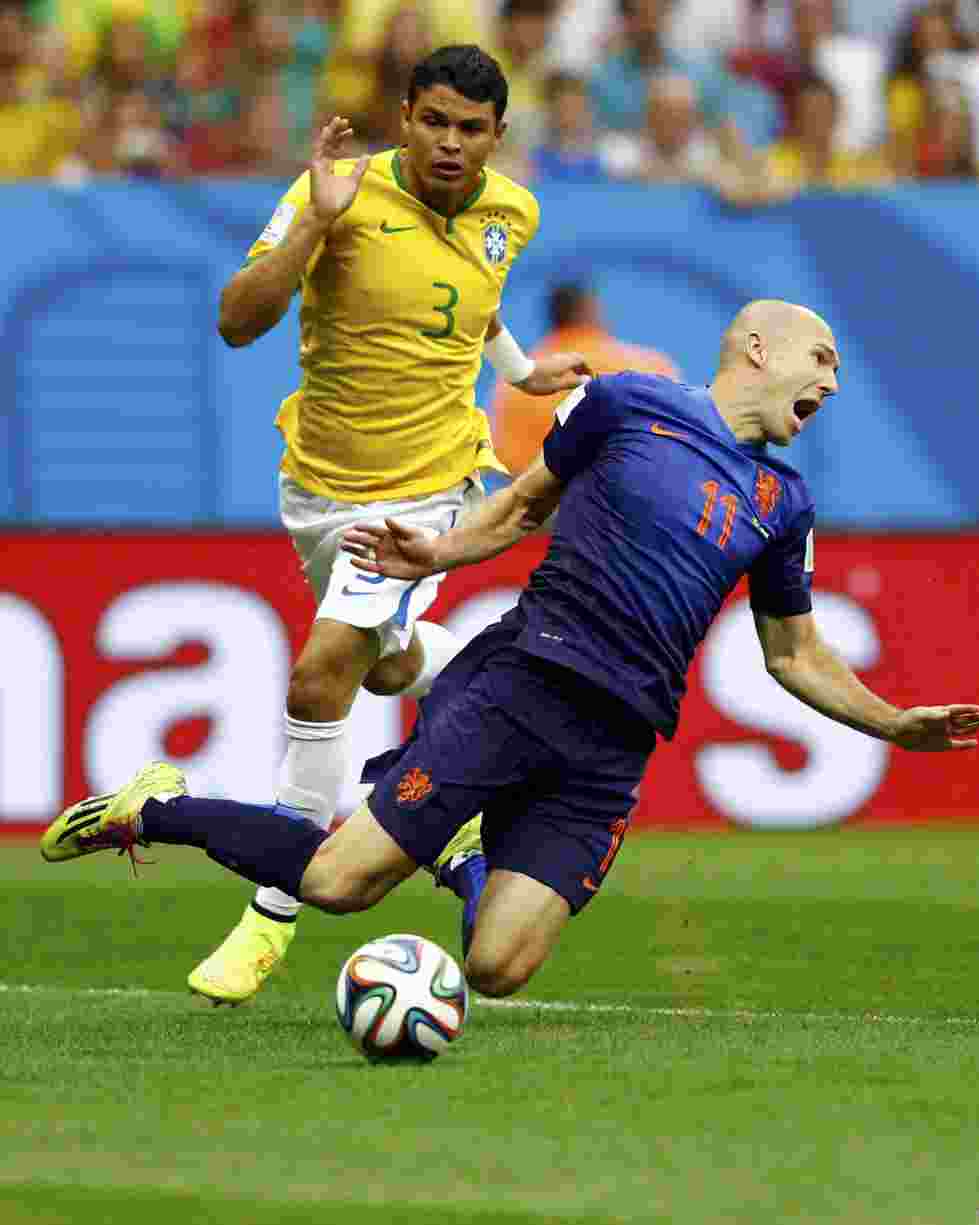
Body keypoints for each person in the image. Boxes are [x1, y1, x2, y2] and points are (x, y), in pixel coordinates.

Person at [41, 300, 979, 1001]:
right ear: (757, 348)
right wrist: (436, 552)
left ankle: (459, 848)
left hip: (616, 745)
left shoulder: (784, 504)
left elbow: (795, 653)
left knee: (496, 966)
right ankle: (154, 808)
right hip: (523, 681)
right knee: (338, 882)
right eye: (822, 358)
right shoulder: (625, 404)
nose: (832, 382)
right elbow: (522, 505)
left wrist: (893, 723)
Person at [188, 44, 589, 1005]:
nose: (450, 143)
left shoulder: (513, 211)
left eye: (471, 129)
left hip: (433, 483)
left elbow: (473, 303)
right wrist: (312, 228)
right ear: (405, 117)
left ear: (498, 136)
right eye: (434, 122)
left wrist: (522, 374)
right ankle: (501, 684)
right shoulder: (333, 191)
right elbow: (237, 320)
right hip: (320, 483)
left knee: (321, 671)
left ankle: (272, 909)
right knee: (385, 666)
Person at [493, 282, 679, 477]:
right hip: (625, 489)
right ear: (590, 309)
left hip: (534, 492)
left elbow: (504, 462)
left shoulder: (512, 385)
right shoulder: (647, 366)